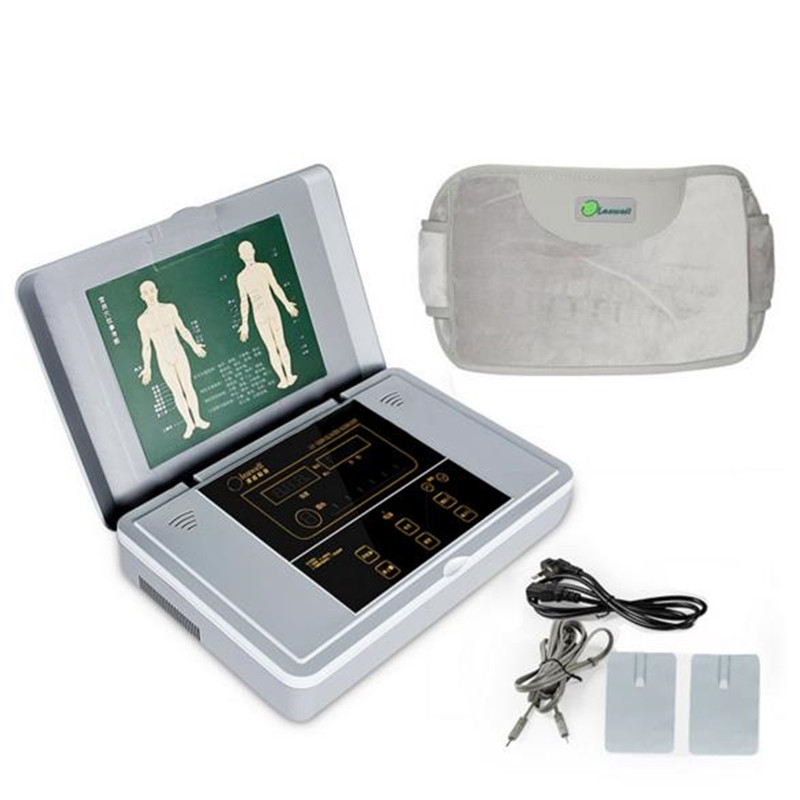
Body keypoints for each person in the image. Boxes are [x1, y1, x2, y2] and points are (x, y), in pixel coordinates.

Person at [137, 280, 210, 440]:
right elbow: (146, 346)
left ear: (156, 290)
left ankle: (198, 419)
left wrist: (194, 346)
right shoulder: (143, 320)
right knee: (176, 392)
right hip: (163, 358)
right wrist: (147, 367)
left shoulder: (169, 308)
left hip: (178, 352)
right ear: (142, 296)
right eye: (146, 292)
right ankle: (189, 424)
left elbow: (182, 329)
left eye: (151, 290)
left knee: (188, 387)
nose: (150, 295)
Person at [236, 240, 299, 388]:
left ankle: (288, 375)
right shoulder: (242, 277)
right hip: (261, 314)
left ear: (253, 251)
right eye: (244, 251)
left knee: (280, 345)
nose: (247, 253)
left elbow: (275, 287)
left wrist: (286, 304)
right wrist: (244, 324)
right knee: (273, 347)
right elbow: (244, 302)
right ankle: (283, 378)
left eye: (248, 250)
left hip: (270, 310)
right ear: (241, 256)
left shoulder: (263, 268)